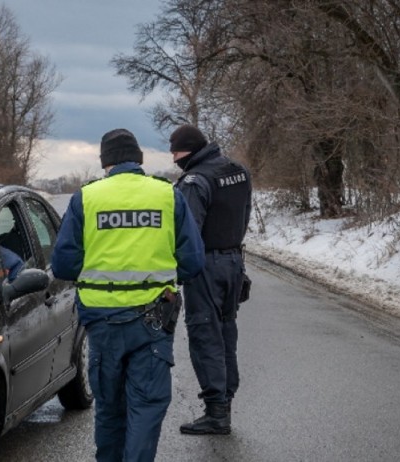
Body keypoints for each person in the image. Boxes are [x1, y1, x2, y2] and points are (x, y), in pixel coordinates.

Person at [51, 128, 205, 461]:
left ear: (105, 163)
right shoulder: (167, 195)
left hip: (102, 322)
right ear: (139, 160)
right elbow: (193, 262)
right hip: (154, 321)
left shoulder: (86, 198)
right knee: (147, 407)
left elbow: (63, 264)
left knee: (109, 408)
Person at [169, 124, 252, 435]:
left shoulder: (195, 180)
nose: (173, 157)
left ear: (187, 150)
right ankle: (225, 401)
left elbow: (187, 234)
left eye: (175, 151)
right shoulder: (239, 171)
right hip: (233, 261)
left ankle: (216, 412)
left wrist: (179, 271)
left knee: (205, 333)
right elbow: (245, 215)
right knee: (226, 330)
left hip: (205, 264)